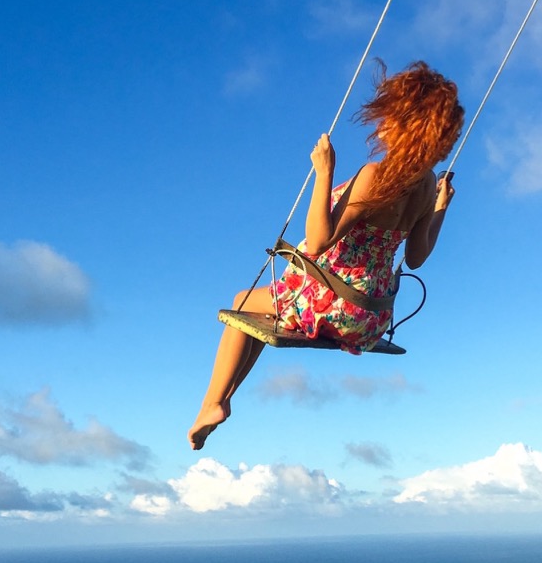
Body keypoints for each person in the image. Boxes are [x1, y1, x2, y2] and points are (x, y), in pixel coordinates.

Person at [188, 60, 464, 451]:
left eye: (387, 116)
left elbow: (318, 241)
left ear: (402, 125)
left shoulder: (374, 176)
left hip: (332, 304)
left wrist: (324, 171)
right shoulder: (427, 186)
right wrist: (441, 209)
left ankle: (214, 401)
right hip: (371, 318)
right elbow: (417, 258)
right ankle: (221, 401)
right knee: (260, 314)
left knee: (241, 303)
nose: (379, 124)